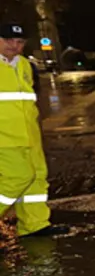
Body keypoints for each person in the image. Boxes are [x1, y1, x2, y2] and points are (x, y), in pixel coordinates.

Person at [0, 23, 59, 237]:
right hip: (4, 136)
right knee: (17, 178)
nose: (14, 45)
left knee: (36, 178)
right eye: (7, 40)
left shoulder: (24, 65)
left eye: (19, 42)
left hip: (30, 134)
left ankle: (34, 224)